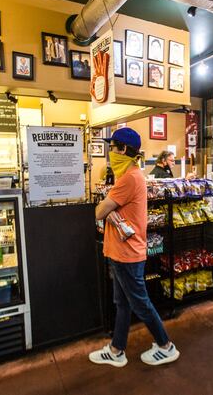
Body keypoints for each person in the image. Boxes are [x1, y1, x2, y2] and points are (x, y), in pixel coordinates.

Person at [89, 127, 180, 367]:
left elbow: (99, 212)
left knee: (140, 302)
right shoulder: (131, 176)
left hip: (126, 254)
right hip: (123, 252)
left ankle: (166, 345)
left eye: (113, 147)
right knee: (123, 303)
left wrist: (106, 209)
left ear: (124, 150)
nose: (110, 152)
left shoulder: (129, 178)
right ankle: (117, 350)